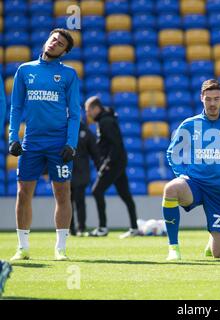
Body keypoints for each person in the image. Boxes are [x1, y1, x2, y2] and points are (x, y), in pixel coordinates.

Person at [9, 28, 80, 261]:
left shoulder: (68, 75)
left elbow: (75, 114)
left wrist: (71, 143)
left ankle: (60, 249)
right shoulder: (25, 70)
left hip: (58, 142)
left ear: (65, 51)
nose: (54, 43)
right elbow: (16, 107)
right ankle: (23, 247)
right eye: (53, 39)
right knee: (23, 193)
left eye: (60, 43)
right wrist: (13, 137)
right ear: (46, 40)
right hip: (31, 141)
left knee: (62, 193)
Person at [163, 79, 220, 260]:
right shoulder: (189, 124)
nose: (212, 103)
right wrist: (182, 175)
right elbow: (172, 153)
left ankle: (212, 241)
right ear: (201, 98)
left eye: (216, 99)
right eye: (208, 99)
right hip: (195, 184)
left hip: (219, 192)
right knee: (171, 189)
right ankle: (173, 248)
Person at [84, 96, 139, 238]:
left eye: (88, 110)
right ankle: (134, 228)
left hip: (114, 163)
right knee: (125, 195)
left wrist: (106, 164)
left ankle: (102, 228)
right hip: (118, 162)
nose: (87, 114)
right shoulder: (105, 120)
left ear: (96, 108)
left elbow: (116, 145)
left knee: (97, 190)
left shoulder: (105, 122)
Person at [70, 120, 101, 236]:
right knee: (67, 201)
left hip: (81, 173)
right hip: (66, 172)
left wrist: (100, 167)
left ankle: (81, 227)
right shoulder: (62, 129)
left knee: (79, 201)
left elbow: (95, 152)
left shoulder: (85, 131)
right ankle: (69, 228)